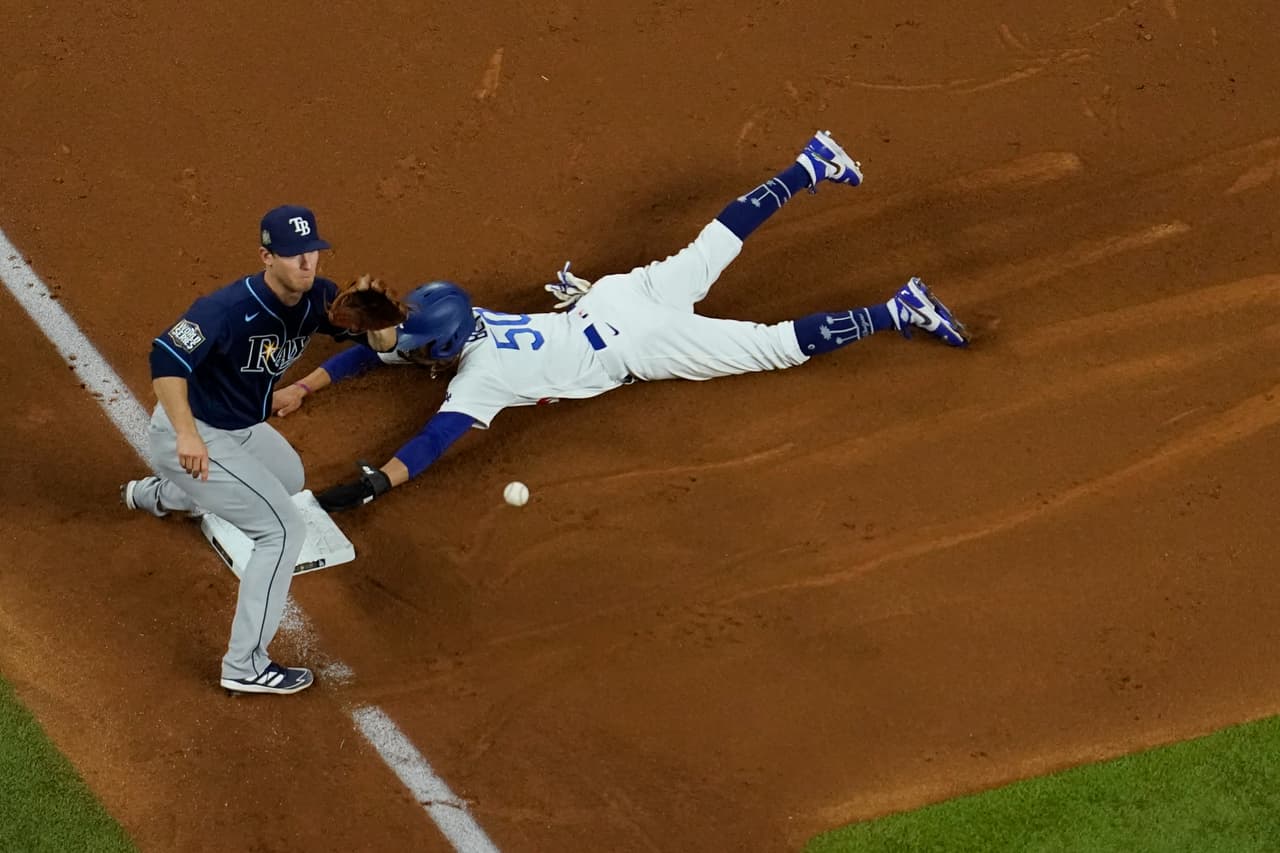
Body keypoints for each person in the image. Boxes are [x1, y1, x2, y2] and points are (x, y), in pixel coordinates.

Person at [278, 130, 969, 512]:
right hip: (612, 298)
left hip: (641, 341)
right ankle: (810, 165)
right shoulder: (463, 318)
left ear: (442, 343)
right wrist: (306, 387)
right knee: (713, 244)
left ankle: (896, 309)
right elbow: (380, 350)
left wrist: (378, 481)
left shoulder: (482, 378)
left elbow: (432, 441)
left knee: (773, 347)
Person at [119, 205, 370, 696]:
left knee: (290, 479)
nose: (307, 263)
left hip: (238, 426)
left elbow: (373, 341)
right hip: (190, 431)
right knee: (283, 530)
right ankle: (245, 665)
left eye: (313, 252)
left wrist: (381, 327)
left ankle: (160, 495)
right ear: (266, 256)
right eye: (294, 254)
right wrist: (188, 435)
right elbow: (165, 361)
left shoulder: (320, 296)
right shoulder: (225, 309)